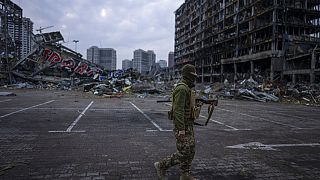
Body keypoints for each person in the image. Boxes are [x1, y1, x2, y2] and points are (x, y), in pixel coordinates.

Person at [154, 64, 198, 180]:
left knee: (191, 150)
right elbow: (178, 111)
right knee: (184, 152)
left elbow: (186, 106)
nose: (194, 78)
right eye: (193, 75)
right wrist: (181, 129)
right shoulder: (182, 89)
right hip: (183, 126)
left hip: (188, 124)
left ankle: (185, 174)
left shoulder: (187, 88)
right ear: (188, 75)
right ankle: (162, 165)